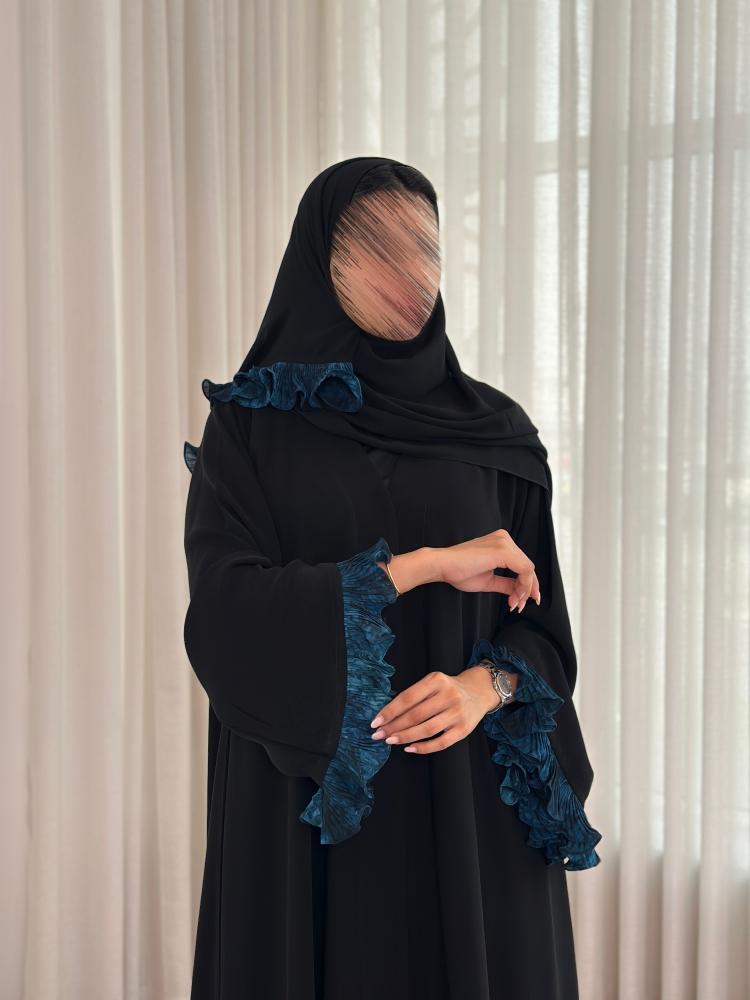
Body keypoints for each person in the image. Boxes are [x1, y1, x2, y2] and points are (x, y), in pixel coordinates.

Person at [182, 155, 602, 1000]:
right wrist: (419, 568)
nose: (409, 272)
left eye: (425, 247)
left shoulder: (496, 433)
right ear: (322, 264)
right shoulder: (252, 430)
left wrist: (486, 687)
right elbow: (227, 615)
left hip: (471, 804)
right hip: (311, 813)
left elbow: (542, 630)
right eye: (377, 247)